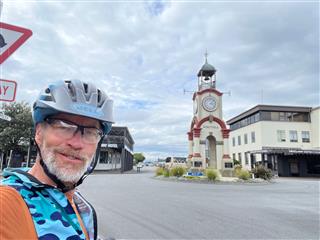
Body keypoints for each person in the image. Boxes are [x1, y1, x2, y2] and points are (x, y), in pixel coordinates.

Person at [0, 79, 113, 240]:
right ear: (39, 132)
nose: (77, 144)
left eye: (90, 132)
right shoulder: (7, 202)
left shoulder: (78, 202)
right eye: (64, 126)